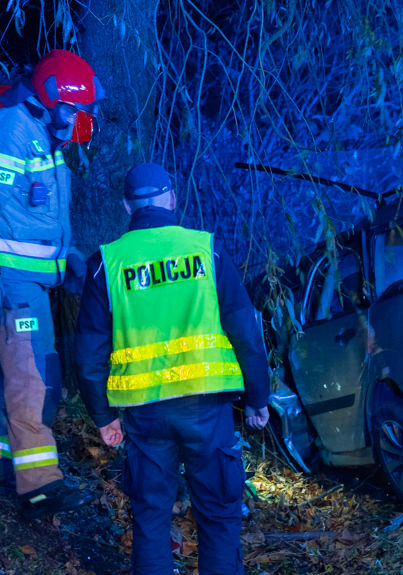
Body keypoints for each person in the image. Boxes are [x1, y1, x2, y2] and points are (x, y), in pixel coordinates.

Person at [75, 163, 271, 575]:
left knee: (150, 519)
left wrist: (103, 416)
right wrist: (257, 398)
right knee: (218, 514)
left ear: (127, 205)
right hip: (206, 407)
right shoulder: (207, 250)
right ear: (172, 198)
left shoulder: (106, 264)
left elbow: (89, 352)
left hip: (144, 415)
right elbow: (246, 332)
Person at [0, 49, 104, 517]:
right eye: (71, 109)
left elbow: (37, 217)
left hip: (32, 281)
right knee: (34, 376)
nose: (78, 120)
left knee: (24, 373)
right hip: (14, 283)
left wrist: (69, 258)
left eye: (83, 112)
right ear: (47, 99)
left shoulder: (44, 135)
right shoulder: (12, 131)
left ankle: (9, 464)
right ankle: (39, 486)